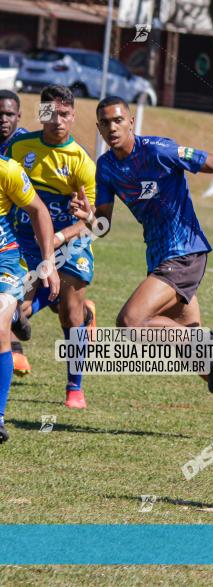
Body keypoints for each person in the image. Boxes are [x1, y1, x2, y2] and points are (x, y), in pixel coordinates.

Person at [74, 95, 213, 441]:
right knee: (195, 355)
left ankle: (207, 343)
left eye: (117, 120)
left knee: (130, 322)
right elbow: (105, 225)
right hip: (160, 258)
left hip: (184, 252)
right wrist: (89, 218)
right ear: (98, 127)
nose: (111, 127)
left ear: (130, 123)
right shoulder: (105, 166)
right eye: (104, 122)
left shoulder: (158, 150)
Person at [7, 85, 97, 408]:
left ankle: (75, 387)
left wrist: (74, 225)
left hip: (69, 243)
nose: (57, 120)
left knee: (70, 314)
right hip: (26, 239)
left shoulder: (82, 162)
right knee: (18, 308)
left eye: (64, 114)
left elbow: (95, 222)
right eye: (51, 112)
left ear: (73, 116)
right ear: (41, 113)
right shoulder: (19, 146)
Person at [0, 144, 60, 442]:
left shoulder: (8, 169)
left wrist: (48, 260)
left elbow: (38, 210)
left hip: (6, 260)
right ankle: (17, 317)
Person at [0, 89, 33, 376]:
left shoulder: (26, 144)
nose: (3, 120)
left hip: (26, 233)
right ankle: (15, 327)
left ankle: (86, 314)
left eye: (8, 114)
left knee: (65, 305)